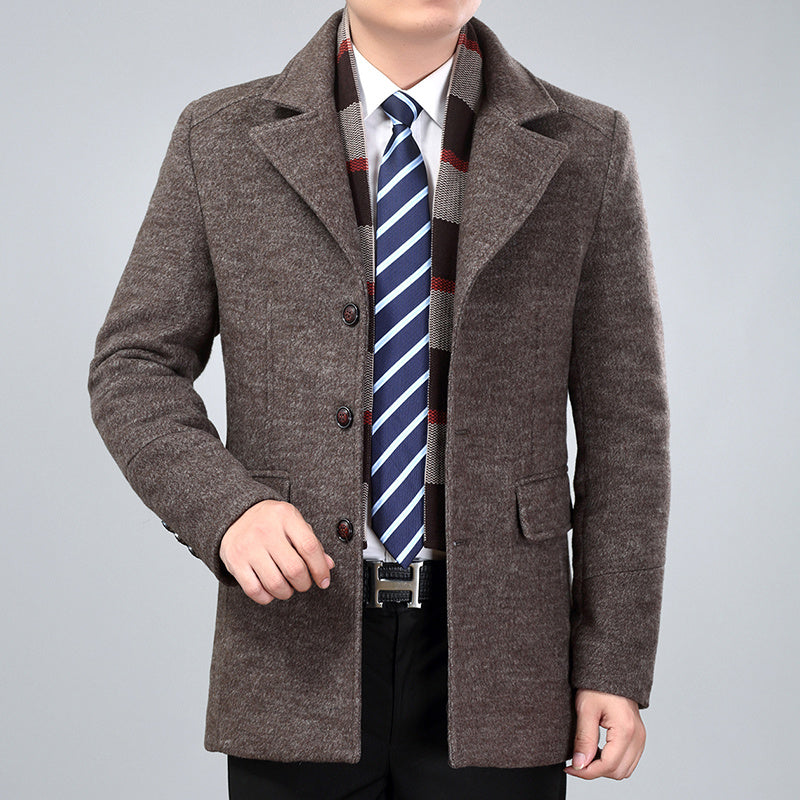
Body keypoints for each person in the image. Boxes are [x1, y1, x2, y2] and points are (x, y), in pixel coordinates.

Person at [88, 1, 670, 797]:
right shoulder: (219, 137)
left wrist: (612, 661)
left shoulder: (586, 145)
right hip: (296, 639)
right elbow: (134, 365)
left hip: (506, 656)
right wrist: (227, 509)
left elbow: (628, 428)